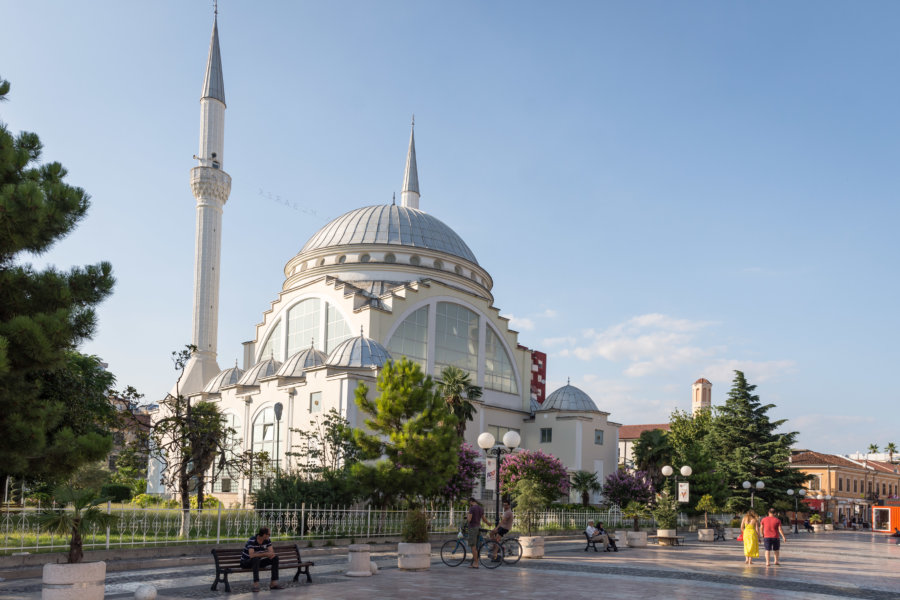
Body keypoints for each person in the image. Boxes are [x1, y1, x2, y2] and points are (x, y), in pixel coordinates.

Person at [240, 526, 283, 592]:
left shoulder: (267, 540)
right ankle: (256, 585)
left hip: (257, 562)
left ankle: (273, 583)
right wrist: (265, 554)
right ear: (264, 535)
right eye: (269, 534)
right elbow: (251, 555)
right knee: (255, 559)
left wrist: (269, 554)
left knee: (275, 558)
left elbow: (271, 553)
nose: (270, 536)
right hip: (246, 562)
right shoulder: (252, 540)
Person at [466, 497, 492, 568]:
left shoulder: (472, 508)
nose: (470, 504)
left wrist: (467, 516)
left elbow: (469, 519)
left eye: (469, 503)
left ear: (471, 502)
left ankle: (476, 563)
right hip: (478, 527)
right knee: (476, 546)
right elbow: (484, 519)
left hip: (472, 528)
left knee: (473, 546)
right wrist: (488, 523)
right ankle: (474, 562)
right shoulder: (480, 508)